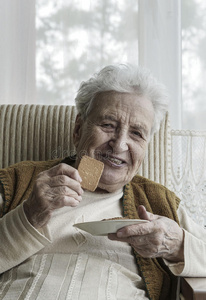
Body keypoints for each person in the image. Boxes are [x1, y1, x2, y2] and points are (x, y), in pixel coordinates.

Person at [0, 64, 205, 300]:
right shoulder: (20, 181)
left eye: (137, 133)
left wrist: (177, 244)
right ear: (78, 129)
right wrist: (28, 215)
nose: (119, 145)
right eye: (108, 125)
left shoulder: (159, 201)